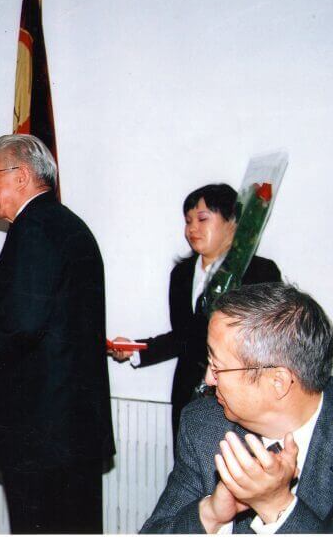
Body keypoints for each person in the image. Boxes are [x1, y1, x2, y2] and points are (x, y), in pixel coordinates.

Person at [0, 134, 115, 533]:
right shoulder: (66, 225)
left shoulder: (34, 229)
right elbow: (45, 323)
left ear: (21, 176)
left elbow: (24, 325)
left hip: (40, 437)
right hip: (69, 432)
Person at [141, 282, 333, 534]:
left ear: (278, 382)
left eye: (218, 366)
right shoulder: (204, 423)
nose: (208, 379)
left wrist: (276, 506)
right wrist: (211, 514)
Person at [109, 183, 281, 446]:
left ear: (232, 222)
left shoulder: (260, 272)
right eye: (188, 221)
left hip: (241, 394)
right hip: (187, 391)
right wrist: (135, 349)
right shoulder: (181, 274)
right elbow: (184, 336)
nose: (192, 229)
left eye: (202, 219)